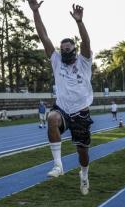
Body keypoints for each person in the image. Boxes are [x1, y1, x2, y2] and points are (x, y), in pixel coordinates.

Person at [28, 0, 93, 195]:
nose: (64, 51)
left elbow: (86, 42)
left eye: (67, 48)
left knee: (83, 152)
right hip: (63, 109)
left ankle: (84, 175)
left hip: (81, 112)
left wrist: (80, 22)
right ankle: (58, 165)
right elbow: (43, 36)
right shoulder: (56, 61)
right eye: (62, 48)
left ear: (74, 49)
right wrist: (35, 12)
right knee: (51, 119)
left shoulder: (84, 61)